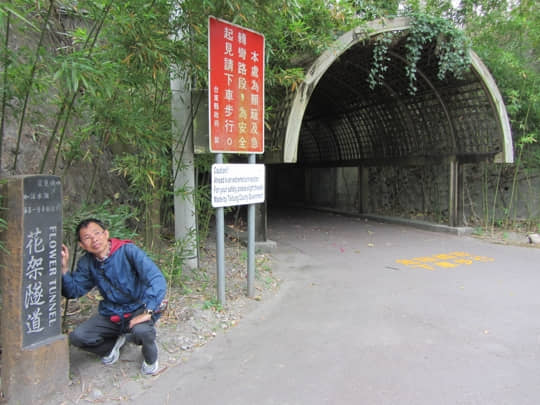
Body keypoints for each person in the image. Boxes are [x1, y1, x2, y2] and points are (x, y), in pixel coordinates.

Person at [61, 218, 167, 375]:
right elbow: (74, 291)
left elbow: (156, 279)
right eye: (87, 238)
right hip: (113, 312)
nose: (94, 239)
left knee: (142, 332)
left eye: (97, 233)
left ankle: (150, 357)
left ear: (106, 234)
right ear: (81, 245)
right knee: (78, 337)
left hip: (140, 306)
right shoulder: (88, 263)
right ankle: (113, 346)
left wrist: (149, 311)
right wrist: (63, 270)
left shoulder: (127, 251)